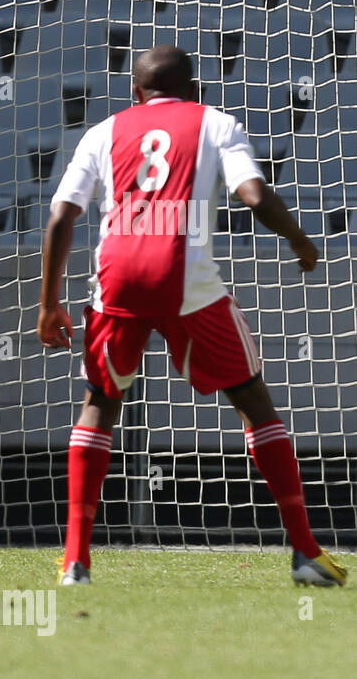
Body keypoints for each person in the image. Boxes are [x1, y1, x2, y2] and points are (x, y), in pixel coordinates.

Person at [37, 44, 346, 587]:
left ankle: (74, 564)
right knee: (251, 397)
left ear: (137, 92)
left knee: (101, 404)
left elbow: (62, 214)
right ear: (195, 89)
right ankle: (305, 554)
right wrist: (299, 238)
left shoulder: (103, 131)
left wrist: (49, 302)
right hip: (187, 280)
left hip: (117, 279)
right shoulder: (217, 124)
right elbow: (253, 194)